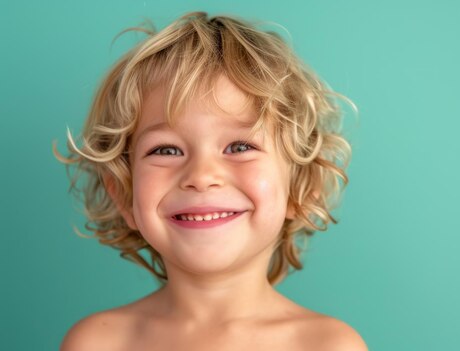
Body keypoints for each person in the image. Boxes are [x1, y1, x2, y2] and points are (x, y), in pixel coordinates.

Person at [57, 11, 366, 350]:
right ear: (123, 194)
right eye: (166, 150)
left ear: (299, 187)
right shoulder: (98, 343)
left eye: (240, 146)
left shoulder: (328, 345)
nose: (202, 177)